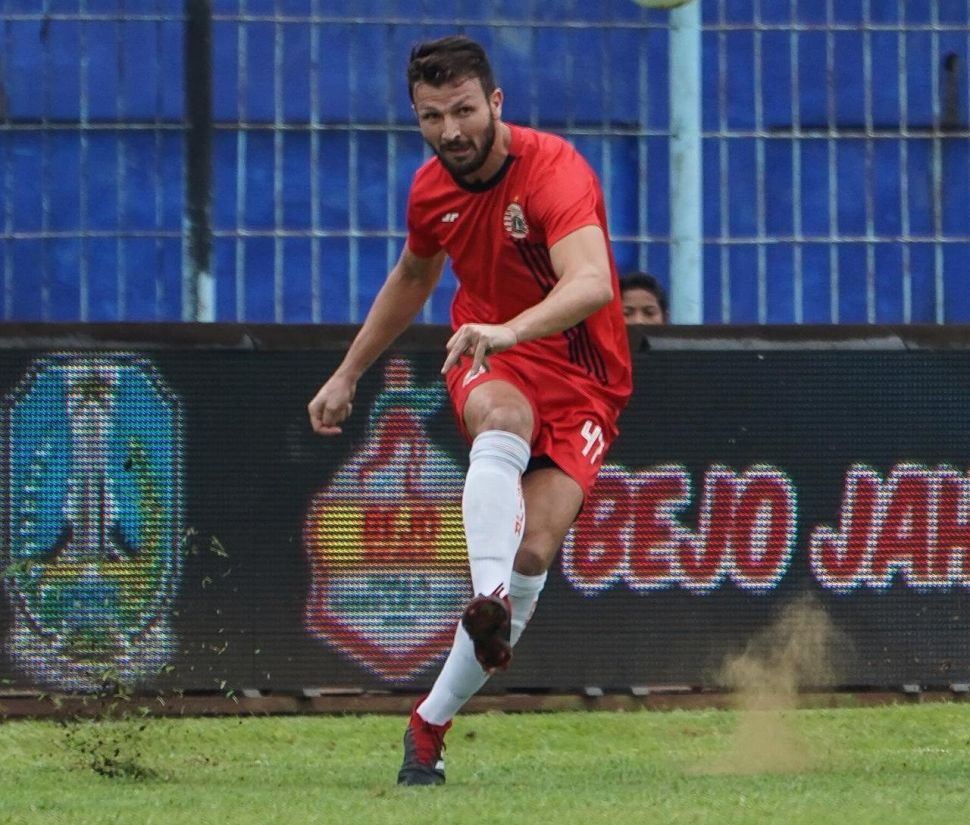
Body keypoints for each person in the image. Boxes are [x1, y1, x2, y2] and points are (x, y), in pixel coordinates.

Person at [306, 35, 632, 786]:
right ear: (416, 116)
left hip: (583, 376)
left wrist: (512, 327)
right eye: (430, 117)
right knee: (502, 422)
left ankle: (429, 721)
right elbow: (413, 278)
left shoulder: (555, 171)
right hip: (492, 353)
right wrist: (348, 372)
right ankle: (484, 599)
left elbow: (591, 284)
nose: (450, 131)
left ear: (495, 103)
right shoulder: (430, 190)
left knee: (534, 554)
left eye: (461, 111)